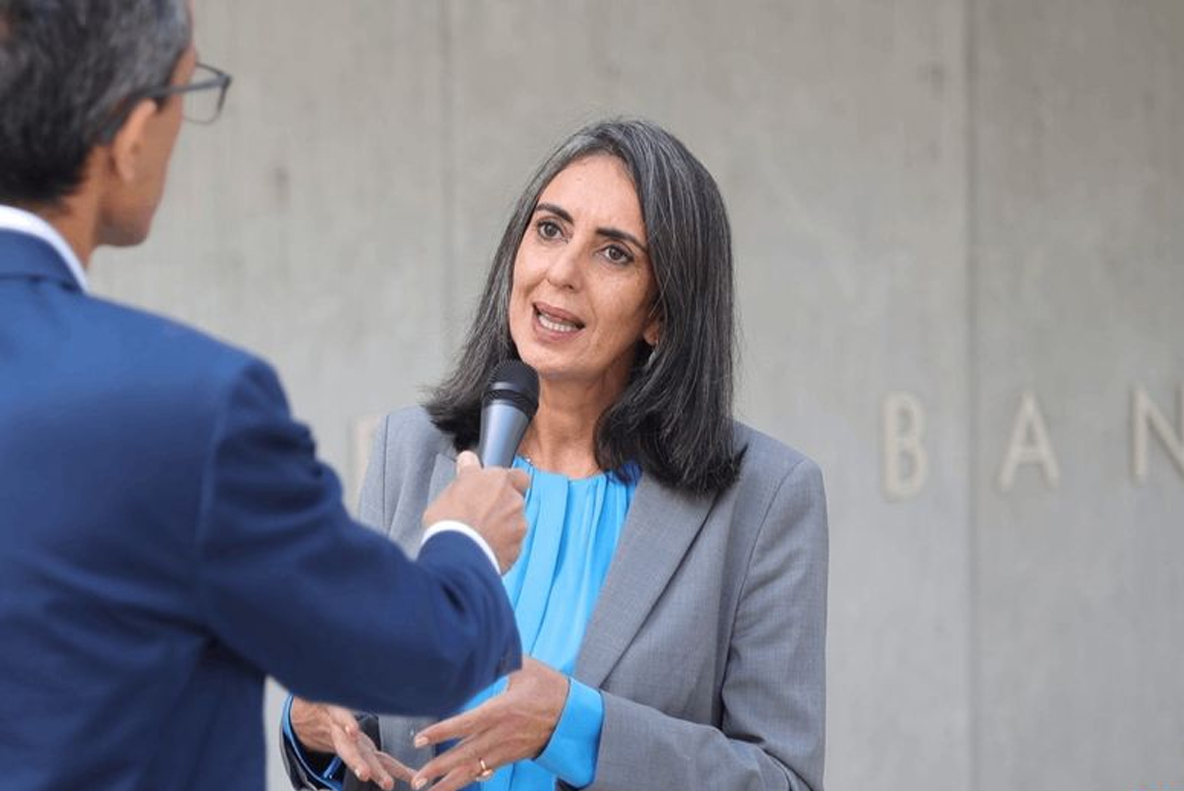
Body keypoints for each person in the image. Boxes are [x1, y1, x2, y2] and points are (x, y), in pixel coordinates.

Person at [0, 3, 531, 790]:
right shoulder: (192, 409)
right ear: (133, 131)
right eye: (187, 92)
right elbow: (426, 652)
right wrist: (468, 537)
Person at [282, 119, 828, 791]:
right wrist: (313, 725)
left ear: (660, 313)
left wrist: (576, 727)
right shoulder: (411, 450)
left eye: (614, 253)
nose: (562, 272)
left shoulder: (767, 496)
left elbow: (783, 779)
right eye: (550, 230)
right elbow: (360, 710)